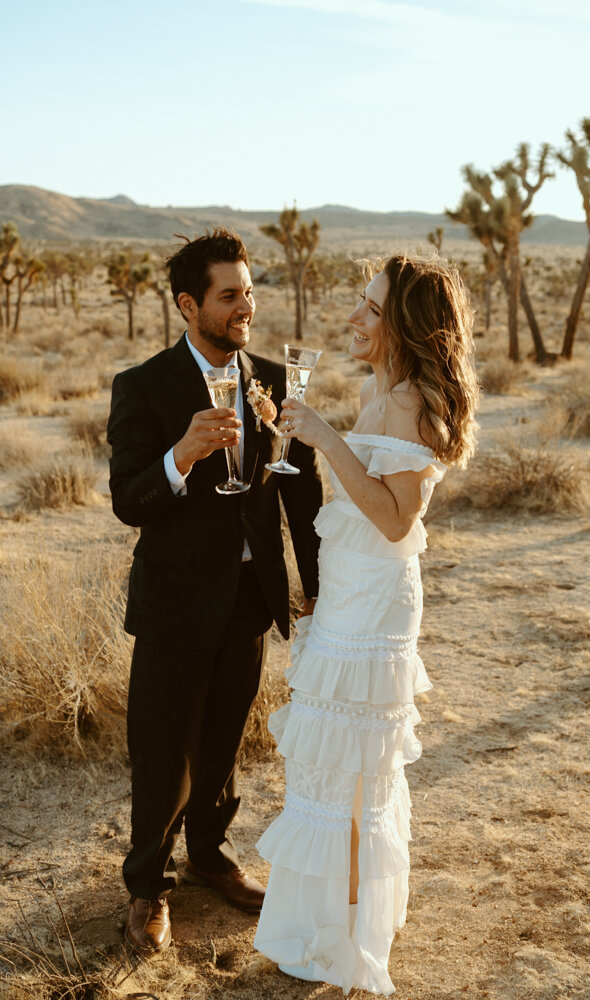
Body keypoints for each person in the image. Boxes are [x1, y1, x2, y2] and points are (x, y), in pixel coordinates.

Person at [254, 254, 479, 995]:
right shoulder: (374, 391)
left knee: (355, 773)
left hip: (377, 604)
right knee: (330, 768)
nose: (355, 318)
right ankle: (329, 924)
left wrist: (323, 437)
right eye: (358, 303)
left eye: (371, 309)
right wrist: (298, 431)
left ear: (406, 327)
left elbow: (393, 519)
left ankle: (348, 936)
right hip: (349, 594)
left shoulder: (410, 402)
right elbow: (357, 500)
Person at [107, 227, 322, 954]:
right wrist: (182, 454)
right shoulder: (141, 388)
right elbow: (129, 500)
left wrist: (312, 584)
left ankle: (206, 855)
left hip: (247, 597)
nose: (245, 308)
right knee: (162, 749)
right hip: (173, 604)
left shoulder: (272, 378)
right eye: (229, 296)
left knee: (225, 744)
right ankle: (146, 888)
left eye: (250, 293)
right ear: (187, 304)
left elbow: (299, 490)